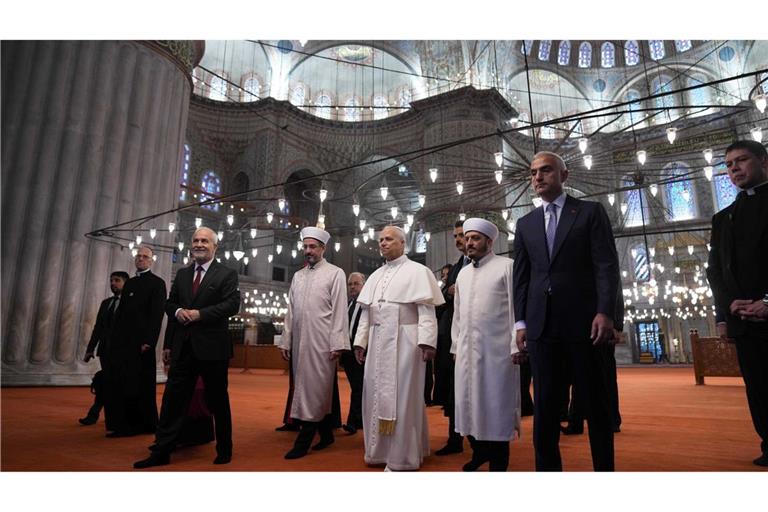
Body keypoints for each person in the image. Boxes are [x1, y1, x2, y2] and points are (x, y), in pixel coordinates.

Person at [513, 151, 620, 472]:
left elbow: (606, 266)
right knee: (545, 408)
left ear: (564, 175)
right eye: (533, 173)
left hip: (585, 325)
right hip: (542, 329)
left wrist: (607, 312)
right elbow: (522, 278)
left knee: (596, 406)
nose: (538, 177)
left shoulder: (588, 212)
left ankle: (604, 470)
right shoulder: (525, 224)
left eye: (546, 170)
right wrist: (521, 322)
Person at [134, 227, 240, 468]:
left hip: (213, 350)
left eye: (204, 241)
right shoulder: (182, 274)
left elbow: (232, 305)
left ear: (215, 247)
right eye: (195, 240)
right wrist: (179, 313)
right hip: (183, 348)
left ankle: (225, 448)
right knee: (172, 401)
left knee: (218, 401)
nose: (199, 244)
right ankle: (161, 451)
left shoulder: (226, 274)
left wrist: (200, 314)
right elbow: (170, 304)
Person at [353, 226, 445, 471]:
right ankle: (378, 451)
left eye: (389, 239)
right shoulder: (374, 276)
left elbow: (427, 312)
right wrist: (360, 342)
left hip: (406, 342)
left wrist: (427, 342)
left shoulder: (418, 272)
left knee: (405, 396)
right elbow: (366, 314)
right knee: (373, 394)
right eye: (381, 239)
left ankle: (402, 456)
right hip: (378, 340)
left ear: (403, 243)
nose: (383, 243)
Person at [706, 140, 768, 467]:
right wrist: (726, 309)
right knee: (758, 387)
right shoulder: (724, 218)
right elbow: (714, 270)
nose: (734, 169)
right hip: (742, 321)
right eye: (729, 165)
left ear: (763, 161)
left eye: (741, 160)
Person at [451, 218, 521, 472]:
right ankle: (480, 452)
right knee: (467, 405)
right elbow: (458, 315)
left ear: (490, 242)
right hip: (467, 352)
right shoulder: (463, 273)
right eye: (467, 238)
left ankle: (499, 463)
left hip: (497, 353)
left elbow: (516, 310)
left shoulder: (507, 267)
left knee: (495, 407)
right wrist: (456, 347)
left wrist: (516, 344)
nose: (469, 243)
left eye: (475, 238)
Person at [277, 227, 349, 459]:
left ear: (323, 248)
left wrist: (337, 342)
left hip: (323, 342)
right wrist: (286, 340)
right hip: (299, 342)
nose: (308, 251)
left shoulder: (335, 273)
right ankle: (326, 434)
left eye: (312, 247)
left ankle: (303, 441)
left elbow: (340, 310)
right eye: (305, 246)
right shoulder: (298, 276)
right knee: (311, 389)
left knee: (315, 389)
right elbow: (291, 311)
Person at [104, 246, 166, 437]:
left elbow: (157, 315)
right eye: (138, 256)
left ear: (152, 260)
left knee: (141, 385)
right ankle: (125, 424)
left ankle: (144, 424)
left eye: (144, 257)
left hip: (142, 344)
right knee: (124, 384)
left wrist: (149, 340)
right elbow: (121, 314)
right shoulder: (129, 284)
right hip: (123, 343)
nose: (140, 259)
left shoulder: (157, 283)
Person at [434, 220, 470, 456]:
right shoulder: (457, 266)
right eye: (455, 236)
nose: (458, 240)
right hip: (450, 336)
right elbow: (444, 296)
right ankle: (454, 439)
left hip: (474, 336)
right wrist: (448, 291)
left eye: (462, 235)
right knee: (452, 391)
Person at [80, 271, 129, 427]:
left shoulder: (131, 303)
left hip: (123, 351)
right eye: (111, 280)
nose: (113, 283)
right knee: (106, 382)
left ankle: (111, 415)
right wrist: (90, 349)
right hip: (105, 351)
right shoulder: (106, 303)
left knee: (119, 384)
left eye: (117, 280)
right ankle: (96, 414)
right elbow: (98, 328)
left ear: (126, 283)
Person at [341, 272, 366, 434]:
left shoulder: (367, 305)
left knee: (358, 388)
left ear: (364, 285)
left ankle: (352, 422)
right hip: (348, 354)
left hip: (361, 353)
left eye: (356, 284)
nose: (352, 287)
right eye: (350, 284)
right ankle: (359, 420)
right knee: (357, 388)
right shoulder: (349, 304)